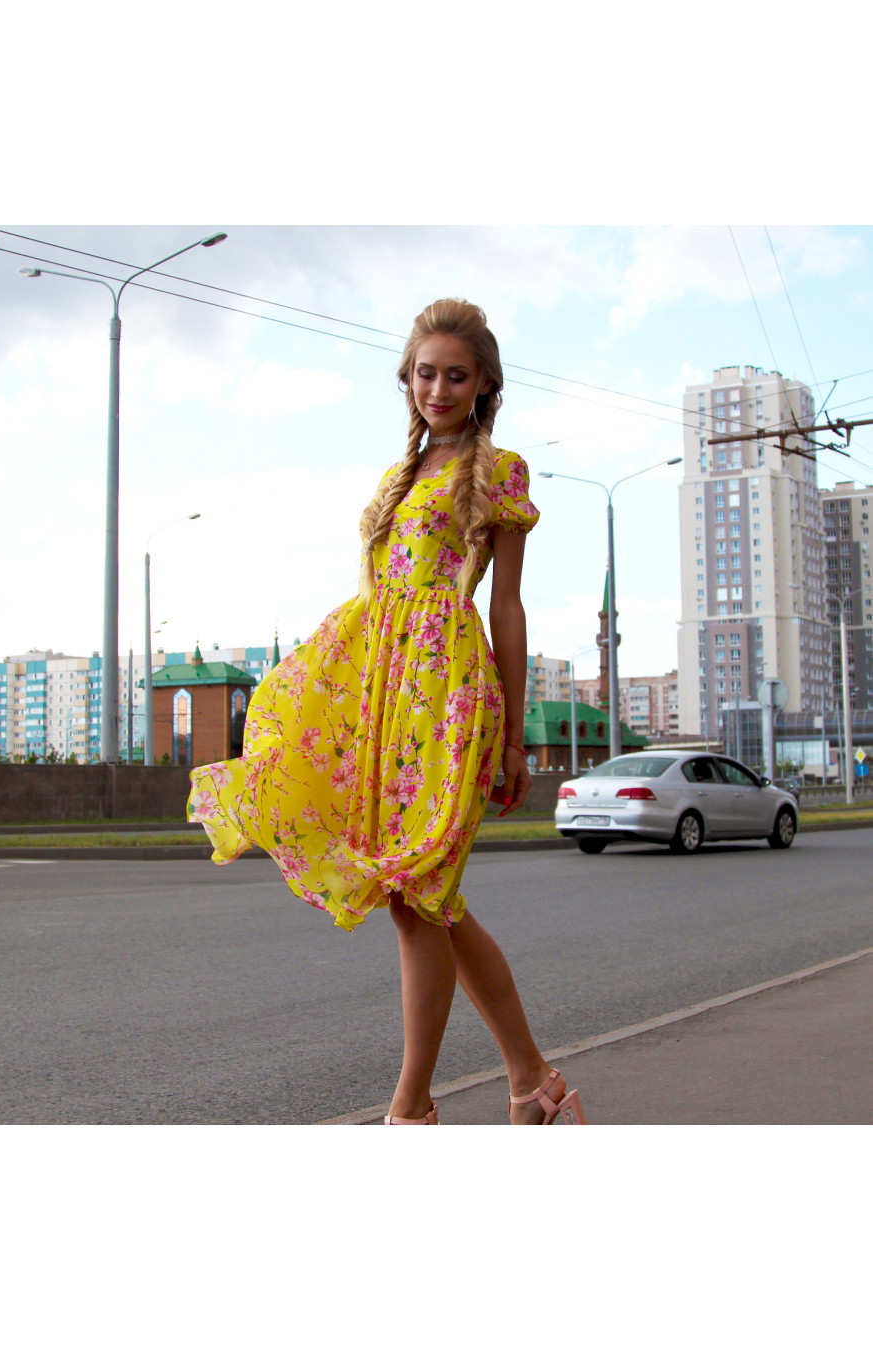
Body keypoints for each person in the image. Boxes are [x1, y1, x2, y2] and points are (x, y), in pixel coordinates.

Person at [188, 298, 586, 1127]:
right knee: (428, 897)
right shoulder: (394, 480)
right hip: (381, 699)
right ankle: (532, 1082)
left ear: (484, 385)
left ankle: (410, 1109)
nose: (437, 389)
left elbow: (506, 607)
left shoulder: (501, 470)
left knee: (416, 896)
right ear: (407, 378)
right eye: (425, 373)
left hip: (448, 696)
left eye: (456, 376)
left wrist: (515, 737)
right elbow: (378, 600)